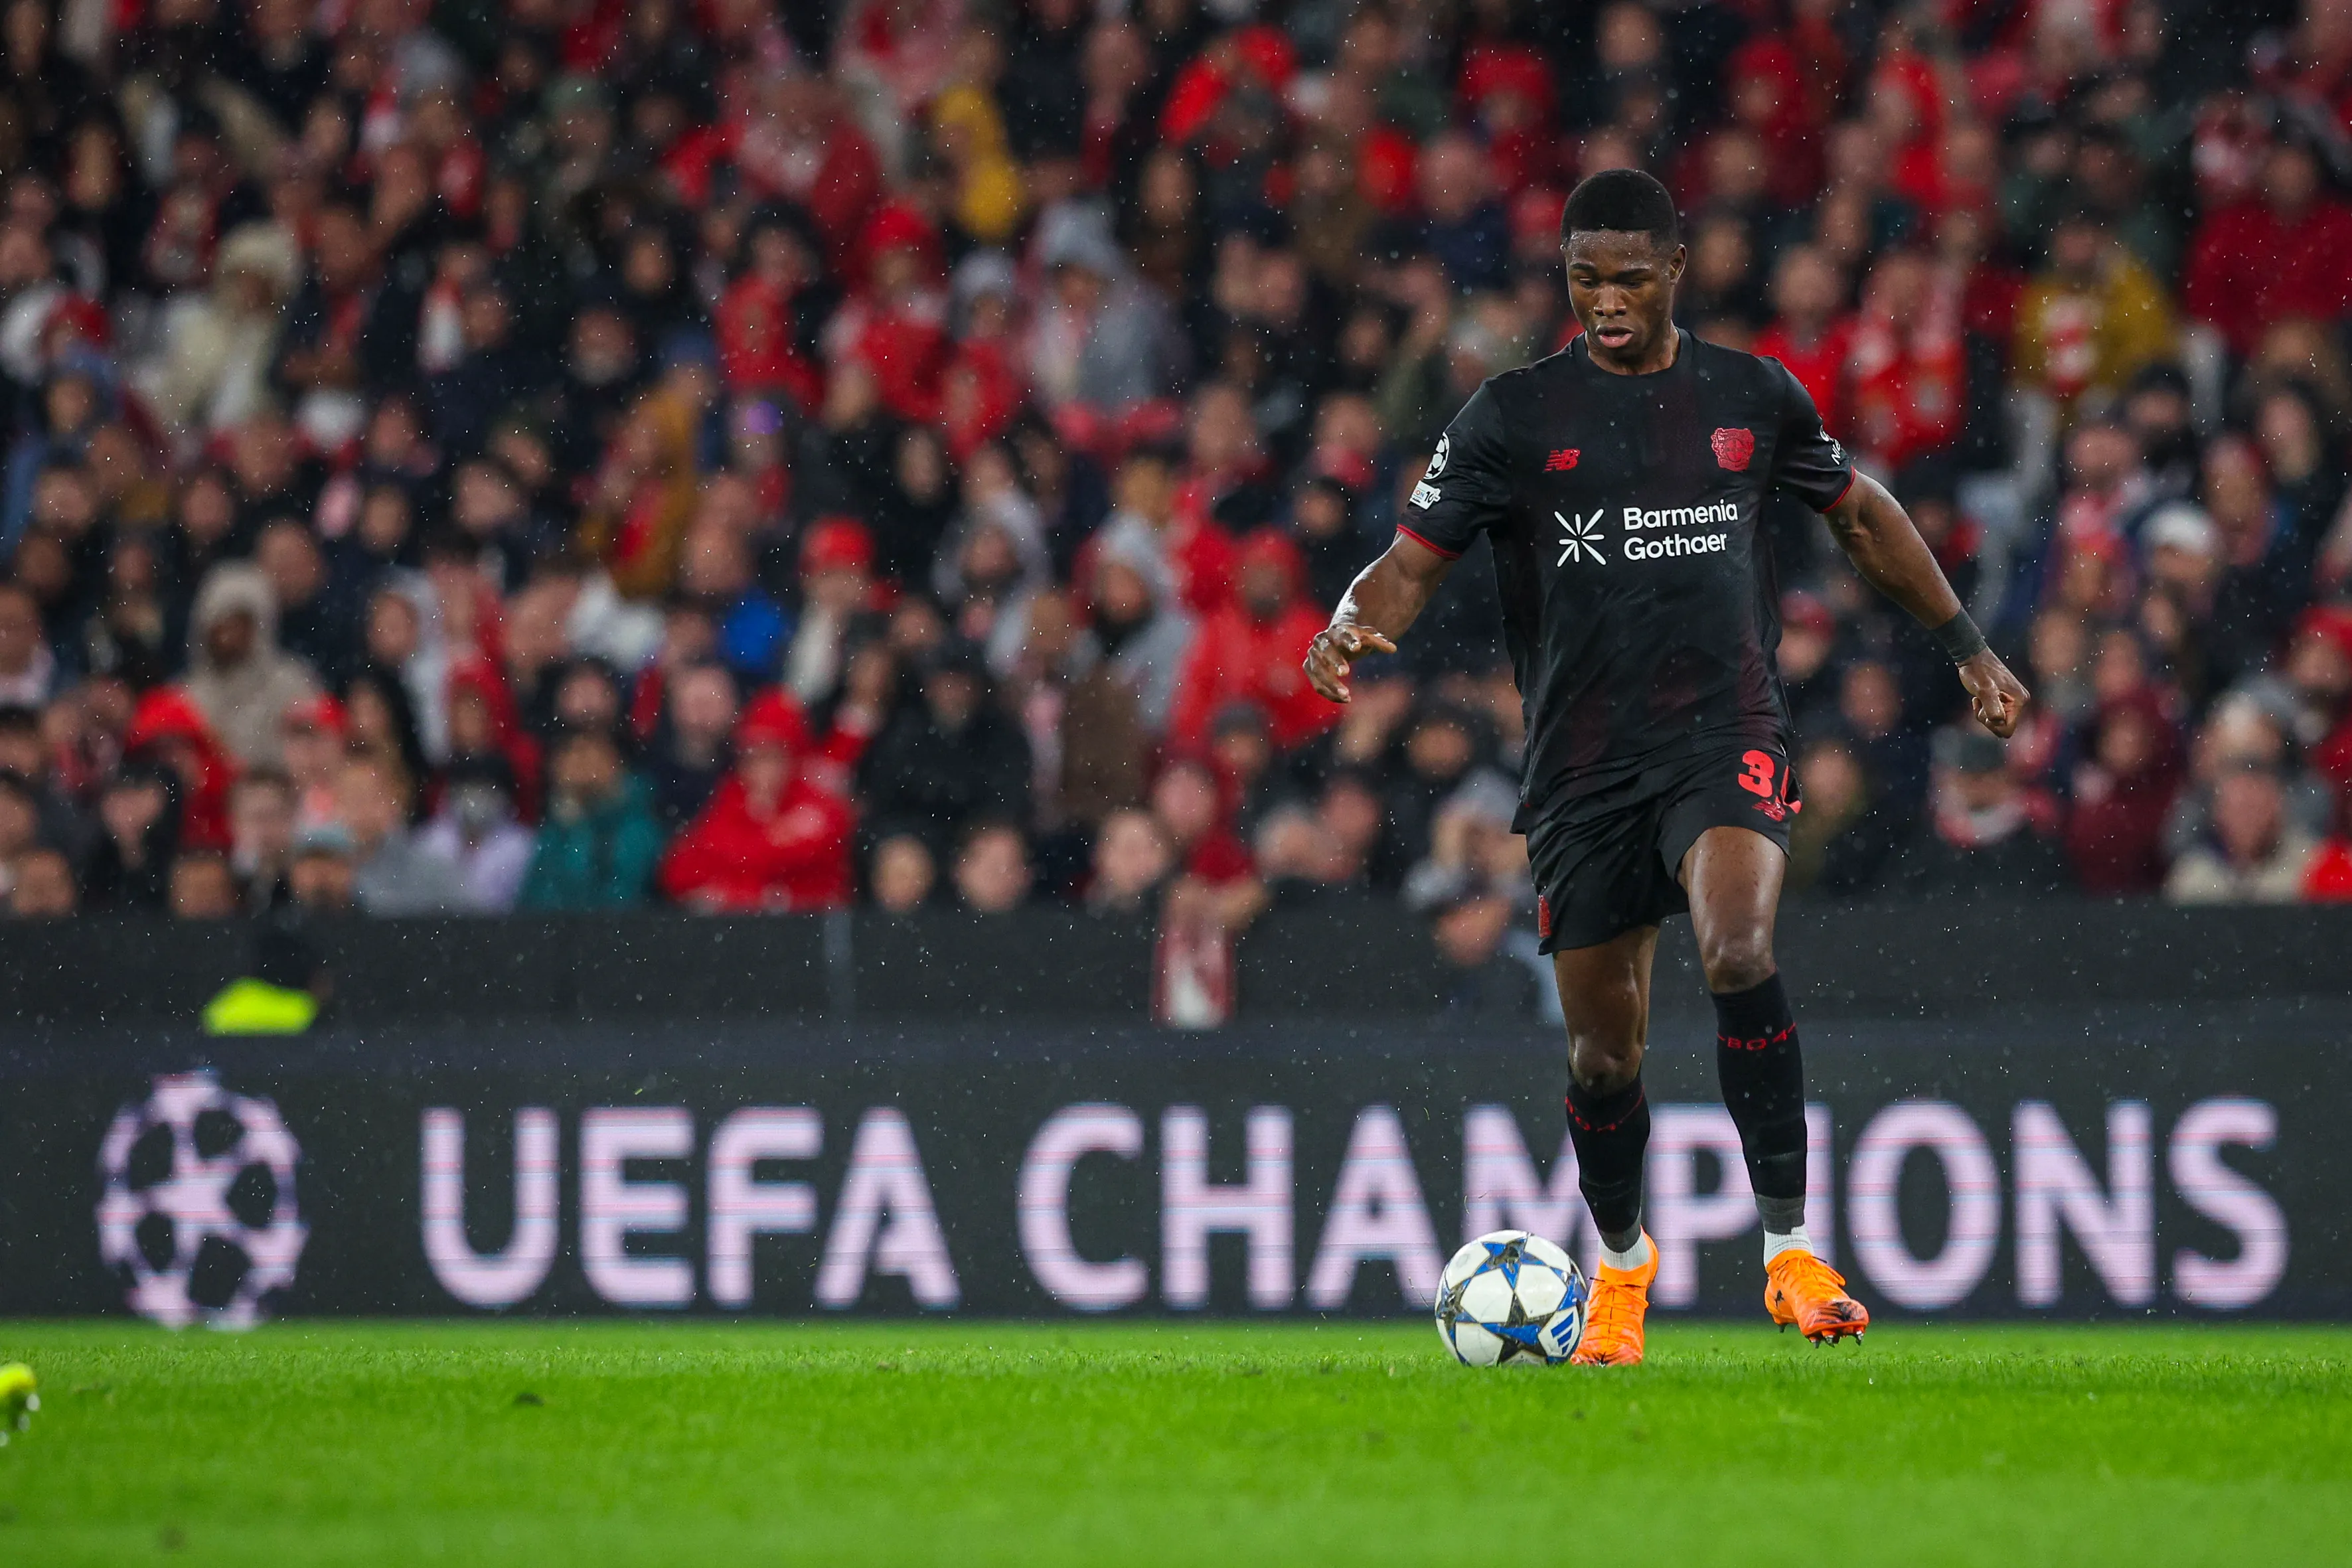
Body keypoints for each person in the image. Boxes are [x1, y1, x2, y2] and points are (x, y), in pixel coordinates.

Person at [1303, 169, 2029, 1365]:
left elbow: (1862, 515)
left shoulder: (1749, 394)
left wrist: (1968, 648)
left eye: (1629, 276)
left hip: (1723, 733)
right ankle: (1625, 1271)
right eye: (1584, 277)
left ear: (1676, 271)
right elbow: (1410, 558)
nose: (1605, 299)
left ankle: (1788, 1252)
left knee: (1738, 946)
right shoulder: (1512, 415)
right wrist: (1346, 620)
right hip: (1582, 770)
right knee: (1604, 1051)